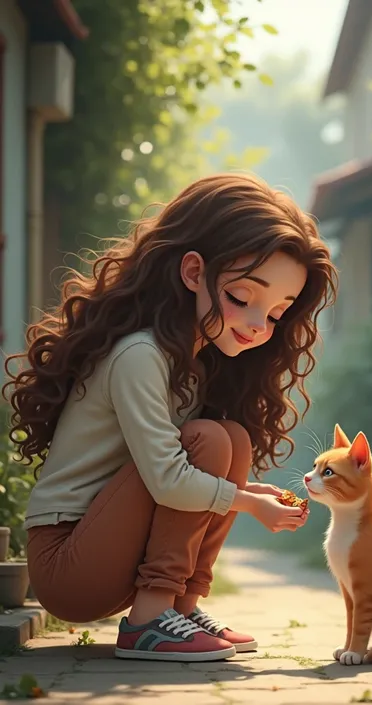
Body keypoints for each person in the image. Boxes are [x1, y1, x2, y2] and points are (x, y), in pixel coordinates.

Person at [3, 173, 337, 663]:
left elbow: (179, 478)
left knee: (232, 440)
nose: (257, 324)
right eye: (243, 299)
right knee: (208, 441)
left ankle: (179, 608)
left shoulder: (191, 364)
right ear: (194, 273)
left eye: (275, 313)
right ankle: (149, 622)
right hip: (68, 563)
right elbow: (166, 479)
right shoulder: (140, 355)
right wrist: (246, 503)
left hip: (111, 549)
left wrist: (250, 493)